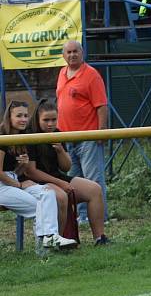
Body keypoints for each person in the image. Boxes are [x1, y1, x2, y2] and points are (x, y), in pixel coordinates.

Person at [22, 101, 109, 245]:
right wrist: (61, 183)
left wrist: (60, 151)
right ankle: (59, 242)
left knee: (94, 189)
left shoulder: (57, 133)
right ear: (37, 119)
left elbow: (66, 166)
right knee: (61, 196)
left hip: (56, 176)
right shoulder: (29, 136)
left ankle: (100, 238)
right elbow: (31, 172)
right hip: (36, 181)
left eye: (53, 120)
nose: (50, 124)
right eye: (46, 120)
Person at [0, 101, 76, 251]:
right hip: (3, 185)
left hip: (12, 181)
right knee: (41, 207)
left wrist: (22, 165)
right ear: (9, 117)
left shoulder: (22, 136)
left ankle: (49, 240)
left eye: (26, 116)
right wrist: (18, 185)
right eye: (19, 116)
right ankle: (44, 248)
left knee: (47, 194)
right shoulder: (2, 135)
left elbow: (16, 173)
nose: (23, 119)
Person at [56, 40, 109, 224]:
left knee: (93, 180)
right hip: (66, 137)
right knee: (74, 180)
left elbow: (102, 106)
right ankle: (83, 216)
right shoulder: (62, 73)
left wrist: (101, 132)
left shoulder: (91, 75)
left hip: (88, 136)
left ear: (82, 53)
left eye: (75, 51)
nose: (72, 55)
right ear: (64, 55)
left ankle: (101, 217)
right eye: (68, 52)